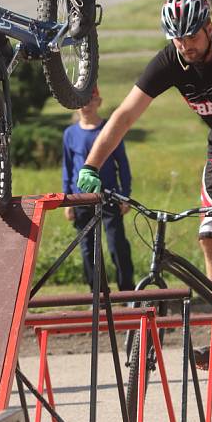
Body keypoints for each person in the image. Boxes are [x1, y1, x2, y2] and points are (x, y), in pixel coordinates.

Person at [77, 0, 212, 370]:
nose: (185, 45)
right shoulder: (170, 60)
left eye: (191, 36)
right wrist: (91, 166)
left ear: (209, 27)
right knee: (210, 237)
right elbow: (125, 115)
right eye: (177, 38)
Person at [63, 86, 135, 290]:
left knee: (117, 245)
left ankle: (127, 291)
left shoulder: (108, 131)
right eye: (81, 102)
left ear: (98, 102)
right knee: (88, 248)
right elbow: (67, 169)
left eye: (90, 100)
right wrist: (67, 201)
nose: (86, 106)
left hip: (109, 196)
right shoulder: (69, 134)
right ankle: (98, 294)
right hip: (81, 199)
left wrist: (125, 195)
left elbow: (123, 164)